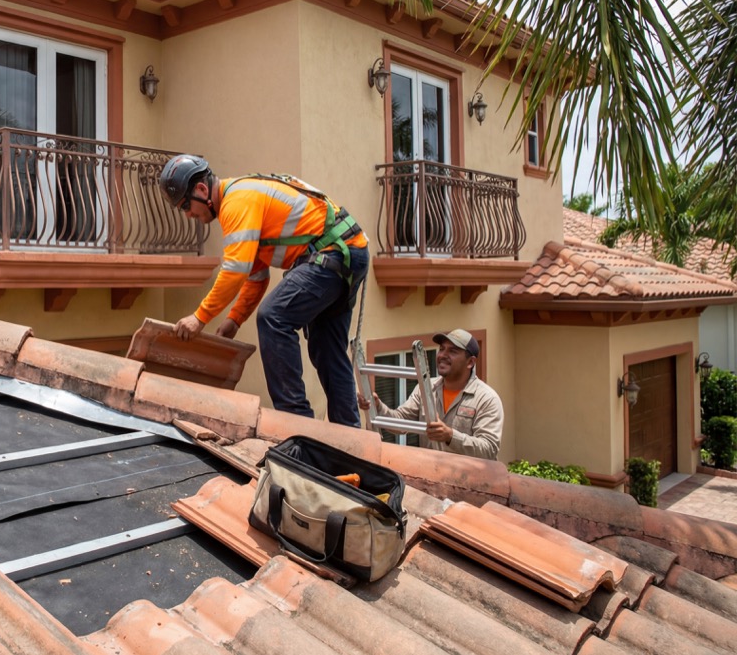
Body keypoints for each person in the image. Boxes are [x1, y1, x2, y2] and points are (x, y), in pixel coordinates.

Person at [160, 154, 370, 427]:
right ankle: (350, 437)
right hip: (348, 252)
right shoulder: (243, 197)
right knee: (327, 350)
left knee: (273, 317)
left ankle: (296, 423)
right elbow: (256, 276)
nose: (189, 214)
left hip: (333, 252)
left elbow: (235, 269)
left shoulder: (236, 202)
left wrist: (200, 317)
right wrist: (234, 320)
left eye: (186, 206)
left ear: (201, 190)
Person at [359, 329, 503, 460]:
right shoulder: (426, 389)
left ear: (470, 362)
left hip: (467, 483)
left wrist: (450, 436)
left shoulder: (486, 399)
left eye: (453, 351)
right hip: (430, 476)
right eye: (442, 349)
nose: (443, 355)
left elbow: (489, 449)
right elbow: (401, 422)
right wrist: (377, 406)